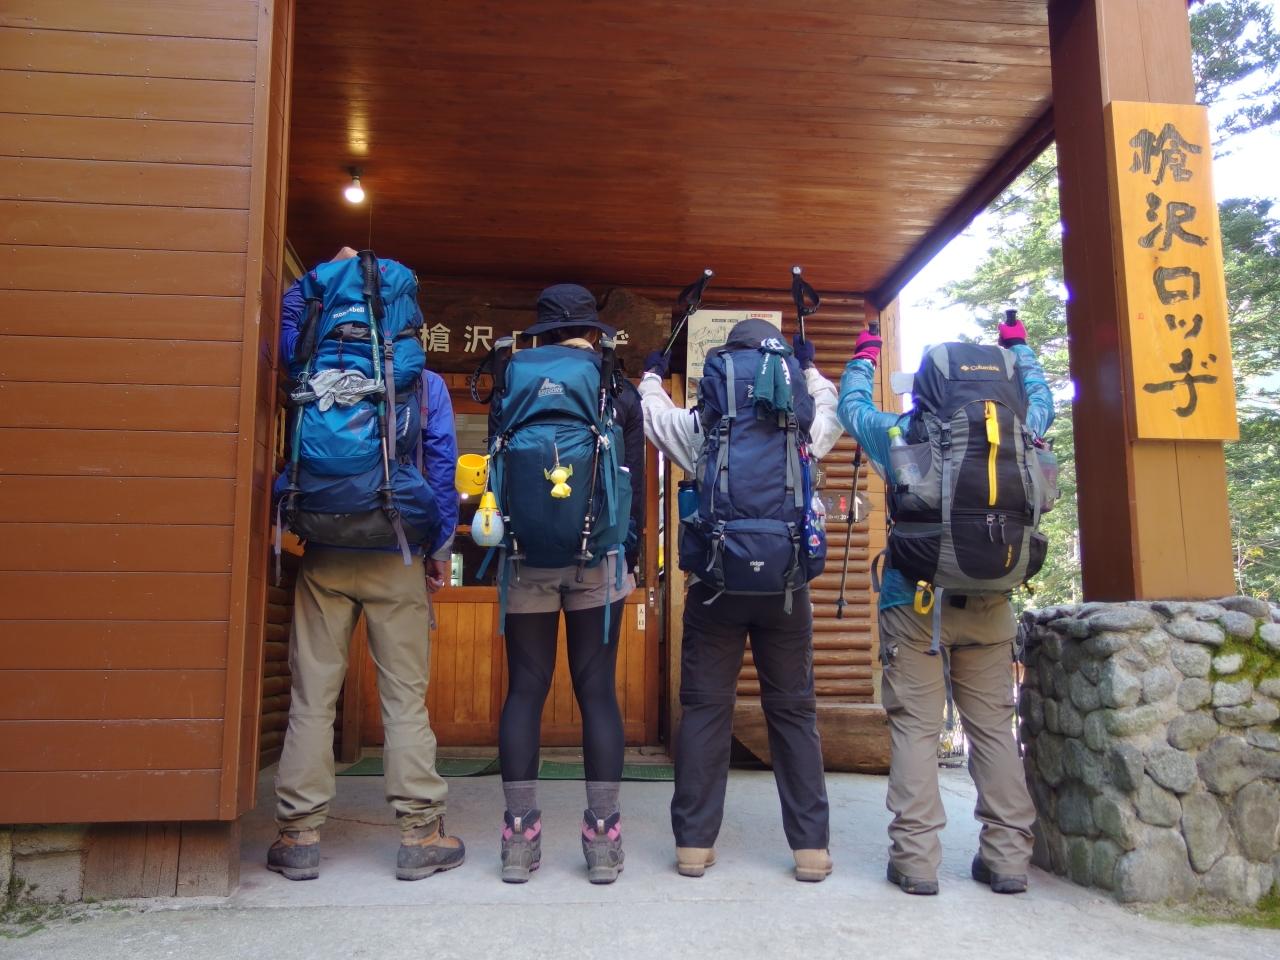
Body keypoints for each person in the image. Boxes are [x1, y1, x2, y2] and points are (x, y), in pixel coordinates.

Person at [836, 314, 1052, 896]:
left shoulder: (903, 434)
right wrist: (1021, 349)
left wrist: (864, 356)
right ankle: (1008, 859)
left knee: (916, 730)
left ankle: (916, 862)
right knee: (994, 730)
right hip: (992, 603)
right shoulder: (1024, 429)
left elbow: (852, 408)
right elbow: (1043, 397)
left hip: (914, 603)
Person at [268, 247, 464, 881]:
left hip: (324, 552)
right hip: (395, 552)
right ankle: (420, 833)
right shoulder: (423, 383)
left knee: (312, 697)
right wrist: (438, 551)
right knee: (404, 699)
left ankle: (298, 835)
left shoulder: (306, 358)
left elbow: (285, 315)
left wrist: (319, 275)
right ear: (406, 316)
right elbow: (440, 470)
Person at [639, 320, 843, 882]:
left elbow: (654, 417)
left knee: (706, 710)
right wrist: (810, 367)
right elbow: (832, 407)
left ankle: (693, 845)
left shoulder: (705, 426)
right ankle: (810, 850)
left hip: (715, 585)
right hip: (786, 587)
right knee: (794, 712)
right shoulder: (801, 425)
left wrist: (653, 376)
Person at [490, 283, 645, 884]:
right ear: (591, 329)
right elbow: (630, 483)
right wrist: (629, 554)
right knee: (596, 691)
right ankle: (603, 838)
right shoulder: (616, 387)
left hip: (524, 556)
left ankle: (518, 837)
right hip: (597, 559)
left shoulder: (513, 379)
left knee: (525, 691)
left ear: (544, 331)